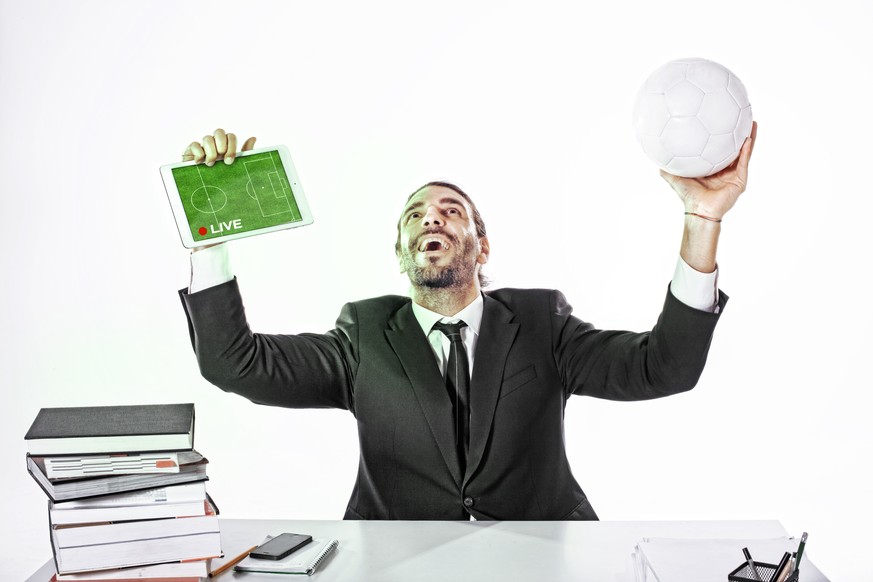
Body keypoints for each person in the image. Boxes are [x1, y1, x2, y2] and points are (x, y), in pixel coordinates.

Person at [179, 124, 757, 520]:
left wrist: (702, 218)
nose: (432, 216)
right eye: (415, 215)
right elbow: (235, 363)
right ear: (402, 253)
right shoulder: (361, 334)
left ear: (482, 248)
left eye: (451, 211)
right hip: (400, 567)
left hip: (542, 558)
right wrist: (209, 231)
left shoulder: (541, 321)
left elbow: (666, 367)